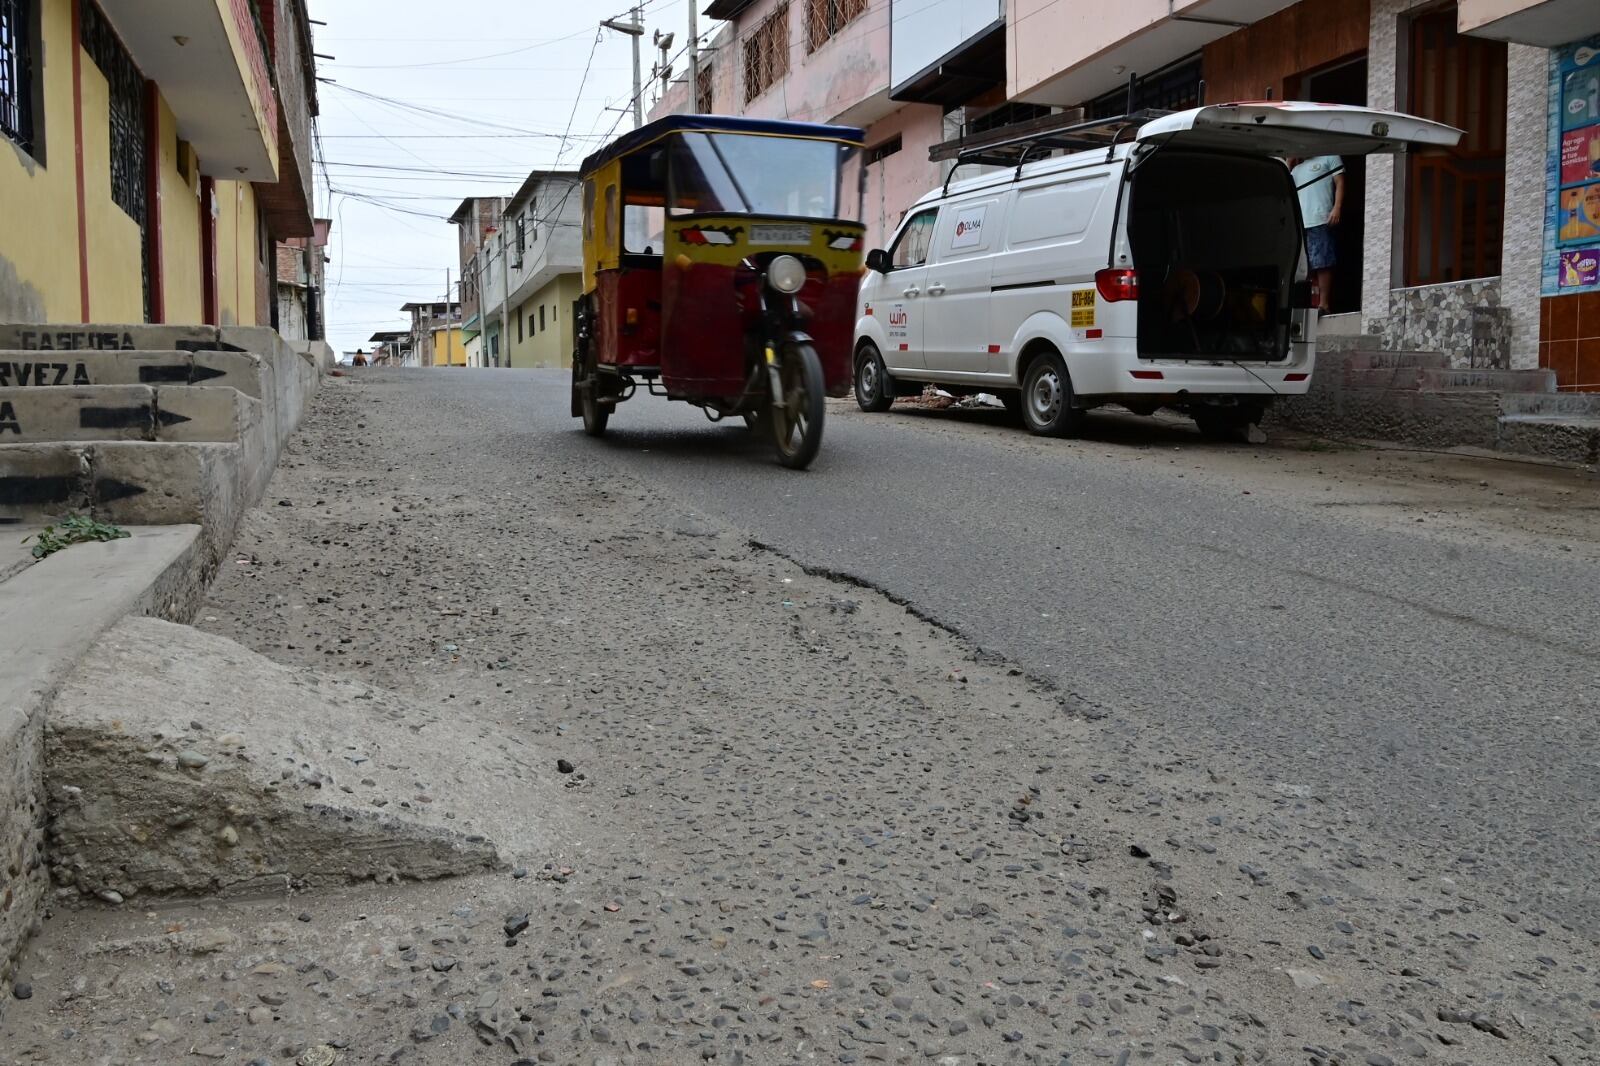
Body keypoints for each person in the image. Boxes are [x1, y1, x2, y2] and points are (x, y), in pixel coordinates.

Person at [1288, 155, 1345, 313]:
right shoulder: (1296, 169)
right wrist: (1288, 163)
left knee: (1323, 262)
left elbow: (1340, 182)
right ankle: (1308, 304)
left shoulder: (1330, 157)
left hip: (1321, 219)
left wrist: (1337, 208)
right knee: (1303, 266)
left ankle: (1324, 304)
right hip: (1301, 223)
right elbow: (1285, 189)